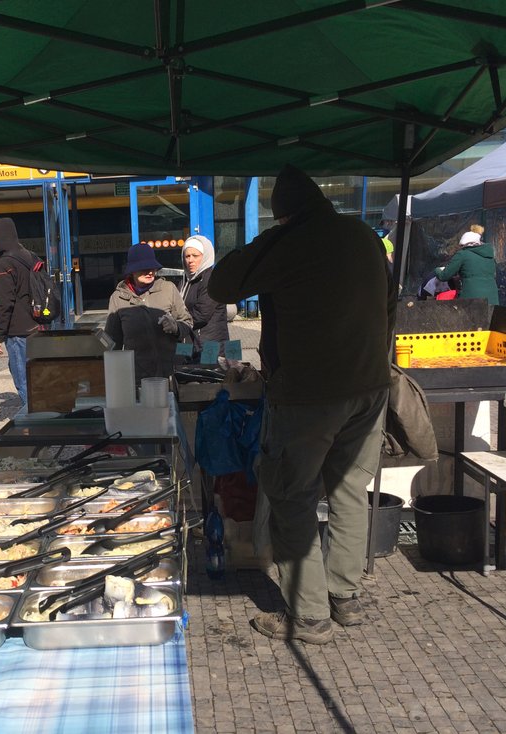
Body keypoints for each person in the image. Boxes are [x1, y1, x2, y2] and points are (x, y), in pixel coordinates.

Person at [208, 165, 395, 645]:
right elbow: (389, 305)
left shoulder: (289, 242)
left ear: (282, 212)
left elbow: (222, 284)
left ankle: (309, 617)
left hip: (310, 394)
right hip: (370, 387)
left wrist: (273, 237)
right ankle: (344, 598)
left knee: (292, 498)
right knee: (351, 493)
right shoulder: (363, 235)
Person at [105, 243, 192, 383]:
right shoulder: (118, 298)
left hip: (169, 373)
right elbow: (112, 343)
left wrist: (176, 327)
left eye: (152, 267)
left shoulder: (168, 289)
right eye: (144, 268)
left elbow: (187, 323)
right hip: (137, 377)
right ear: (131, 271)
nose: (150, 272)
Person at [0, 217, 39, 407]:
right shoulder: (30, 256)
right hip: (37, 326)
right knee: (35, 378)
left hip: (18, 333)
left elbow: (3, 304)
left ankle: (34, 422)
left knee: (23, 380)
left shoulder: (4, 264)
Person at [180, 234, 230, 358]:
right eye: (187, 256)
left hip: (210, 345)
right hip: (188, 342)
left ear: (205, 256)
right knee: (183, 373)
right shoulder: (185, 280)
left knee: (210, 376)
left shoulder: (211, 279)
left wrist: (177, 324)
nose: (190, 260)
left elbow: (201, 315)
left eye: (195, 256)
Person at [434, 225, 499, 305]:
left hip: (472, 300)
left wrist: (437, 270)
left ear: (464, 244)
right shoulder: (490, 256)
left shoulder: (462, 254)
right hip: (493, 299)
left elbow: (444, 276)